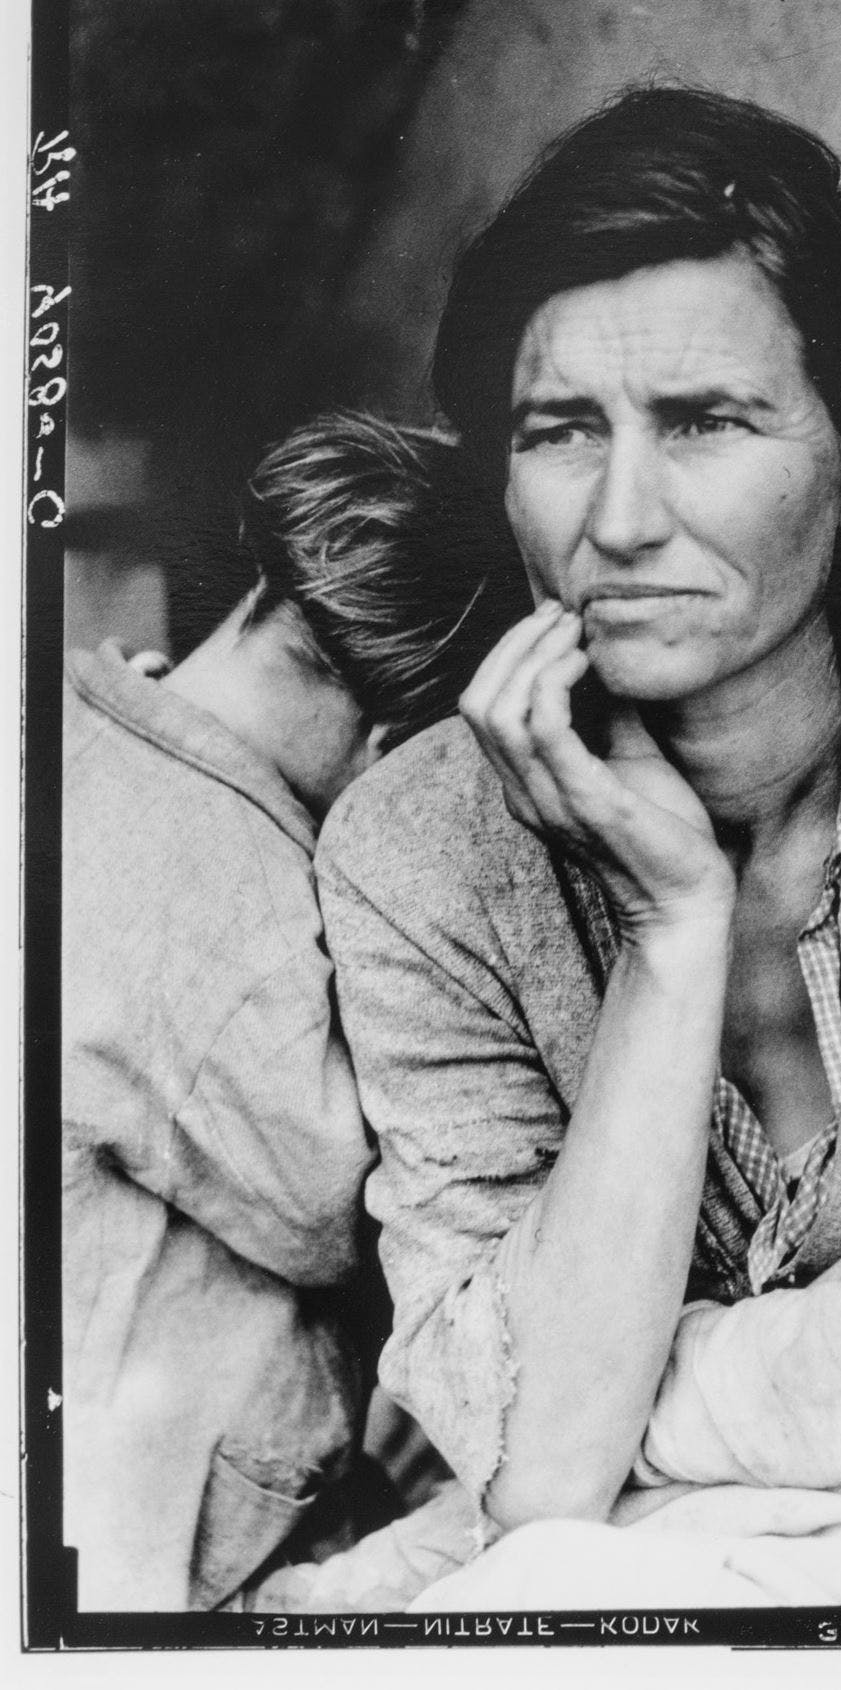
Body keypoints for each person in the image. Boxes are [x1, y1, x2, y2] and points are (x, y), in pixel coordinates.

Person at [313, 89, 841, 1597]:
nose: (620, 518)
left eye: (704, 421)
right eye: (561, 430)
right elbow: (544, 1465)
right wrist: (671, 928)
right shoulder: (420, 850)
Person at [62, 410, 499, 1610]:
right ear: (395, 746)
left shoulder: (77, 723)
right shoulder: (232, 907)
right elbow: (349, 1207)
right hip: (147, 1553)